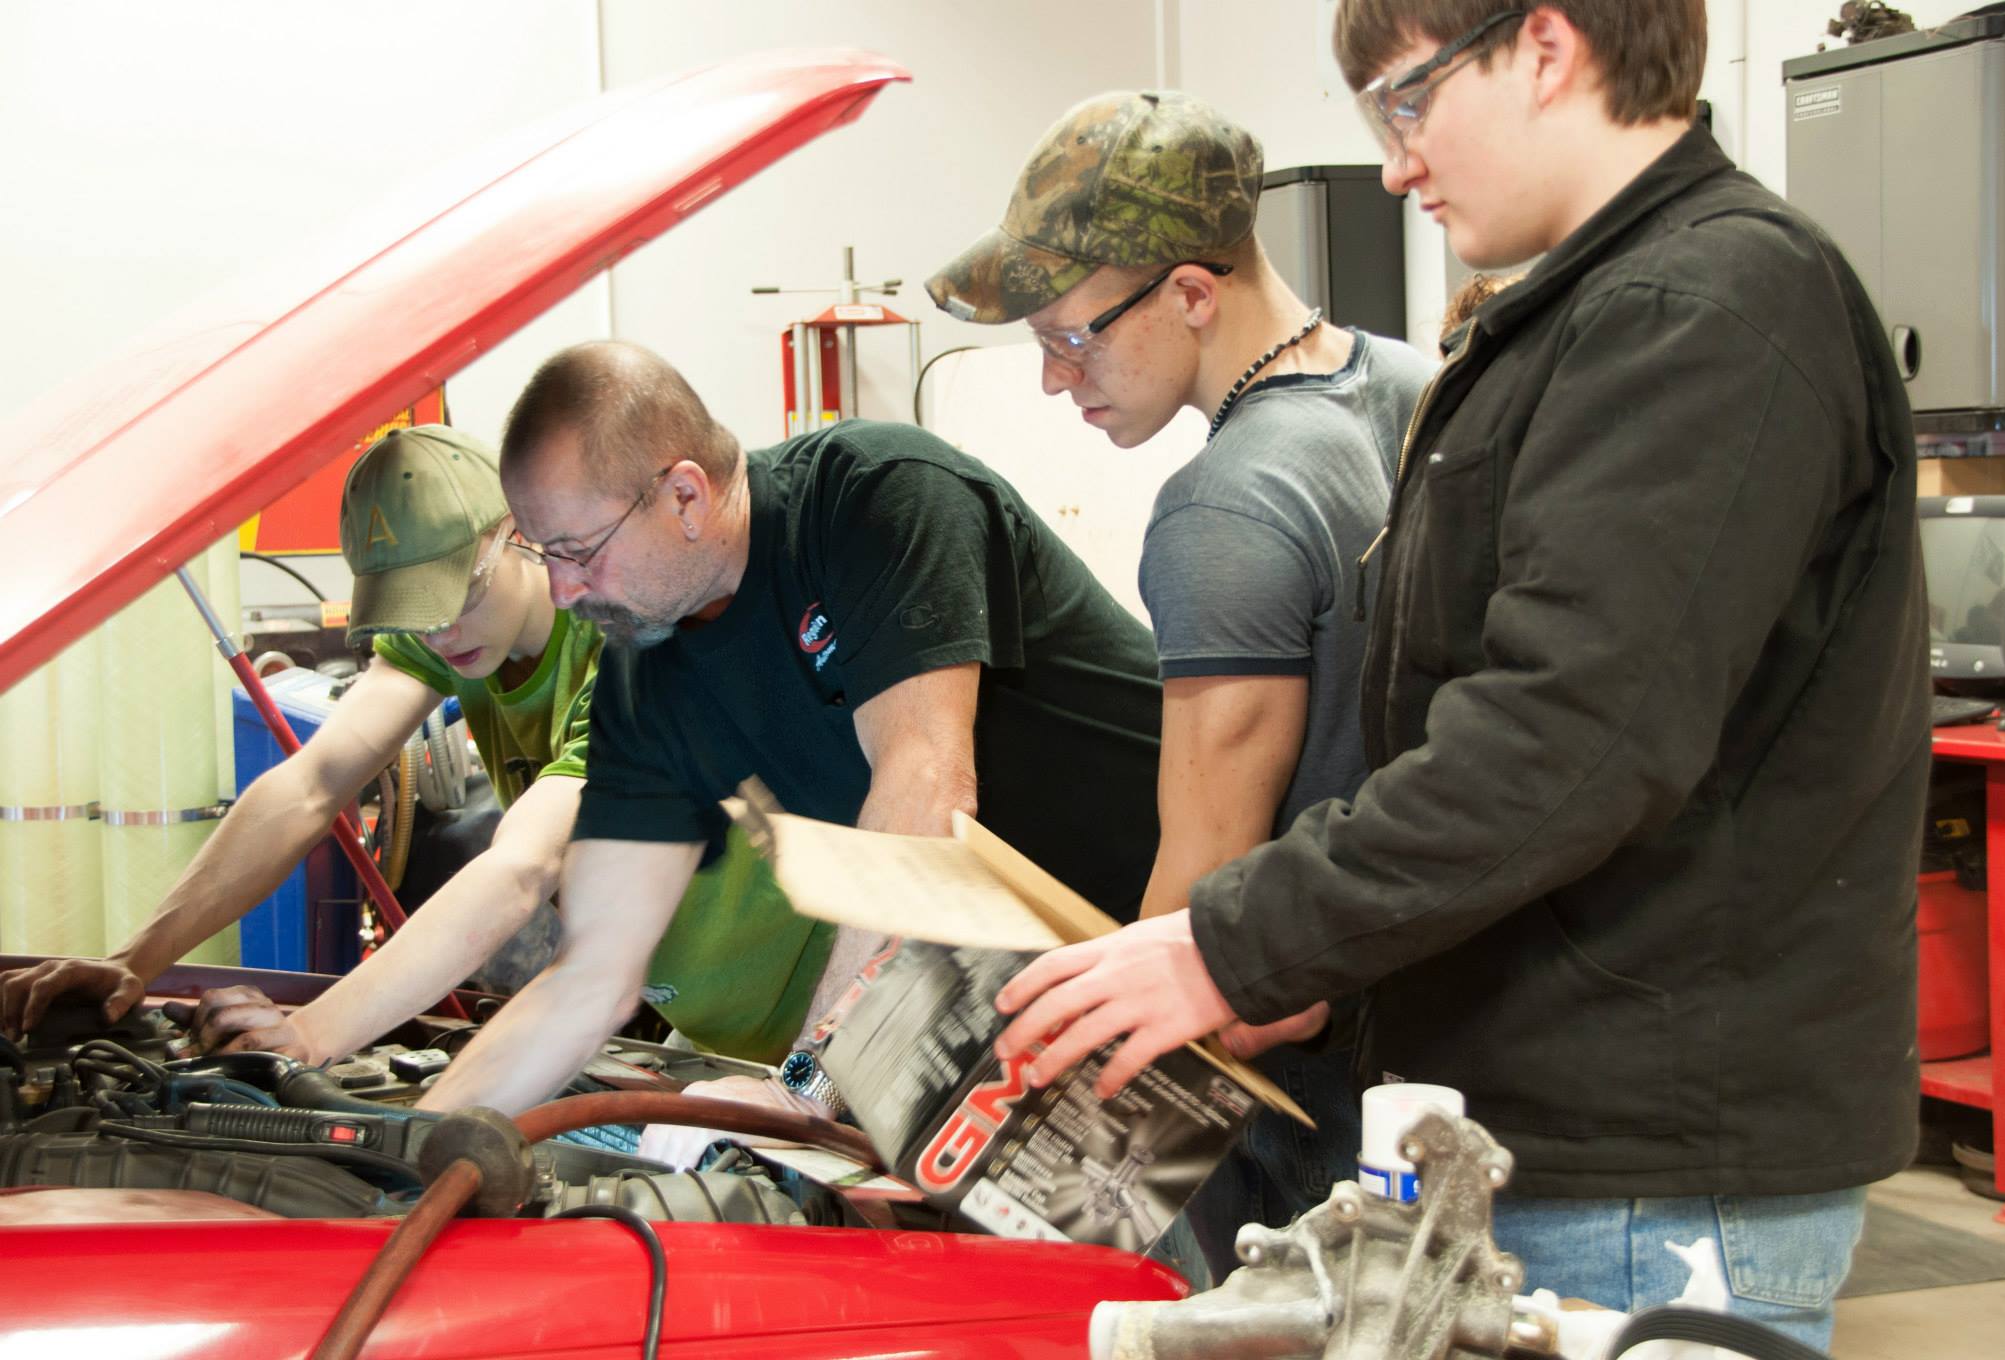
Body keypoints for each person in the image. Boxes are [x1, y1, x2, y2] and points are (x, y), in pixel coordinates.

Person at [990, 3, 1926, 1347]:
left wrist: (1233, 945)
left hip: (1650, 1175)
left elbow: (1564, 741)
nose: (1393, 162)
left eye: (1407, 100)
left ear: (1545, 48)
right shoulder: (1575, 318)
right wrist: (1327, 966)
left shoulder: (1703, 305)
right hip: (1543, 1126)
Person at [925, 89, 1434, 1279]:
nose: (1057, 380)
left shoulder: (1223, 504)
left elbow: (1192, 892)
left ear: (1193, 294)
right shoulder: (1409, 389)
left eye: (1070, 336)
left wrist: (1065, 1150)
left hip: (1289, 1093)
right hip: (1423, 1045)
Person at [411, 339, 1164, 1118]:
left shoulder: (874, 498)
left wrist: (804, 1083)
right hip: (1058, 992)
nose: (563, 593)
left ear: (685, 497)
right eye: (544, 556)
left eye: (579, 553)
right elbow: (595, 973)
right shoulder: (649, 663)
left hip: (1189, 926)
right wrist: (412, 1137)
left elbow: (926, 784)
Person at [0, 426, 822, 1071]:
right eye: (410, 611)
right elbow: (309, 787)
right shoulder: (459, 633)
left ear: (520, 534)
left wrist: (315, 1032)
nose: (437, 631)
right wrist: (135, 963)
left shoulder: (624, 635)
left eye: (453, 597)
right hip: (703, 1026)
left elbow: (521, 867)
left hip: (822, 1014)